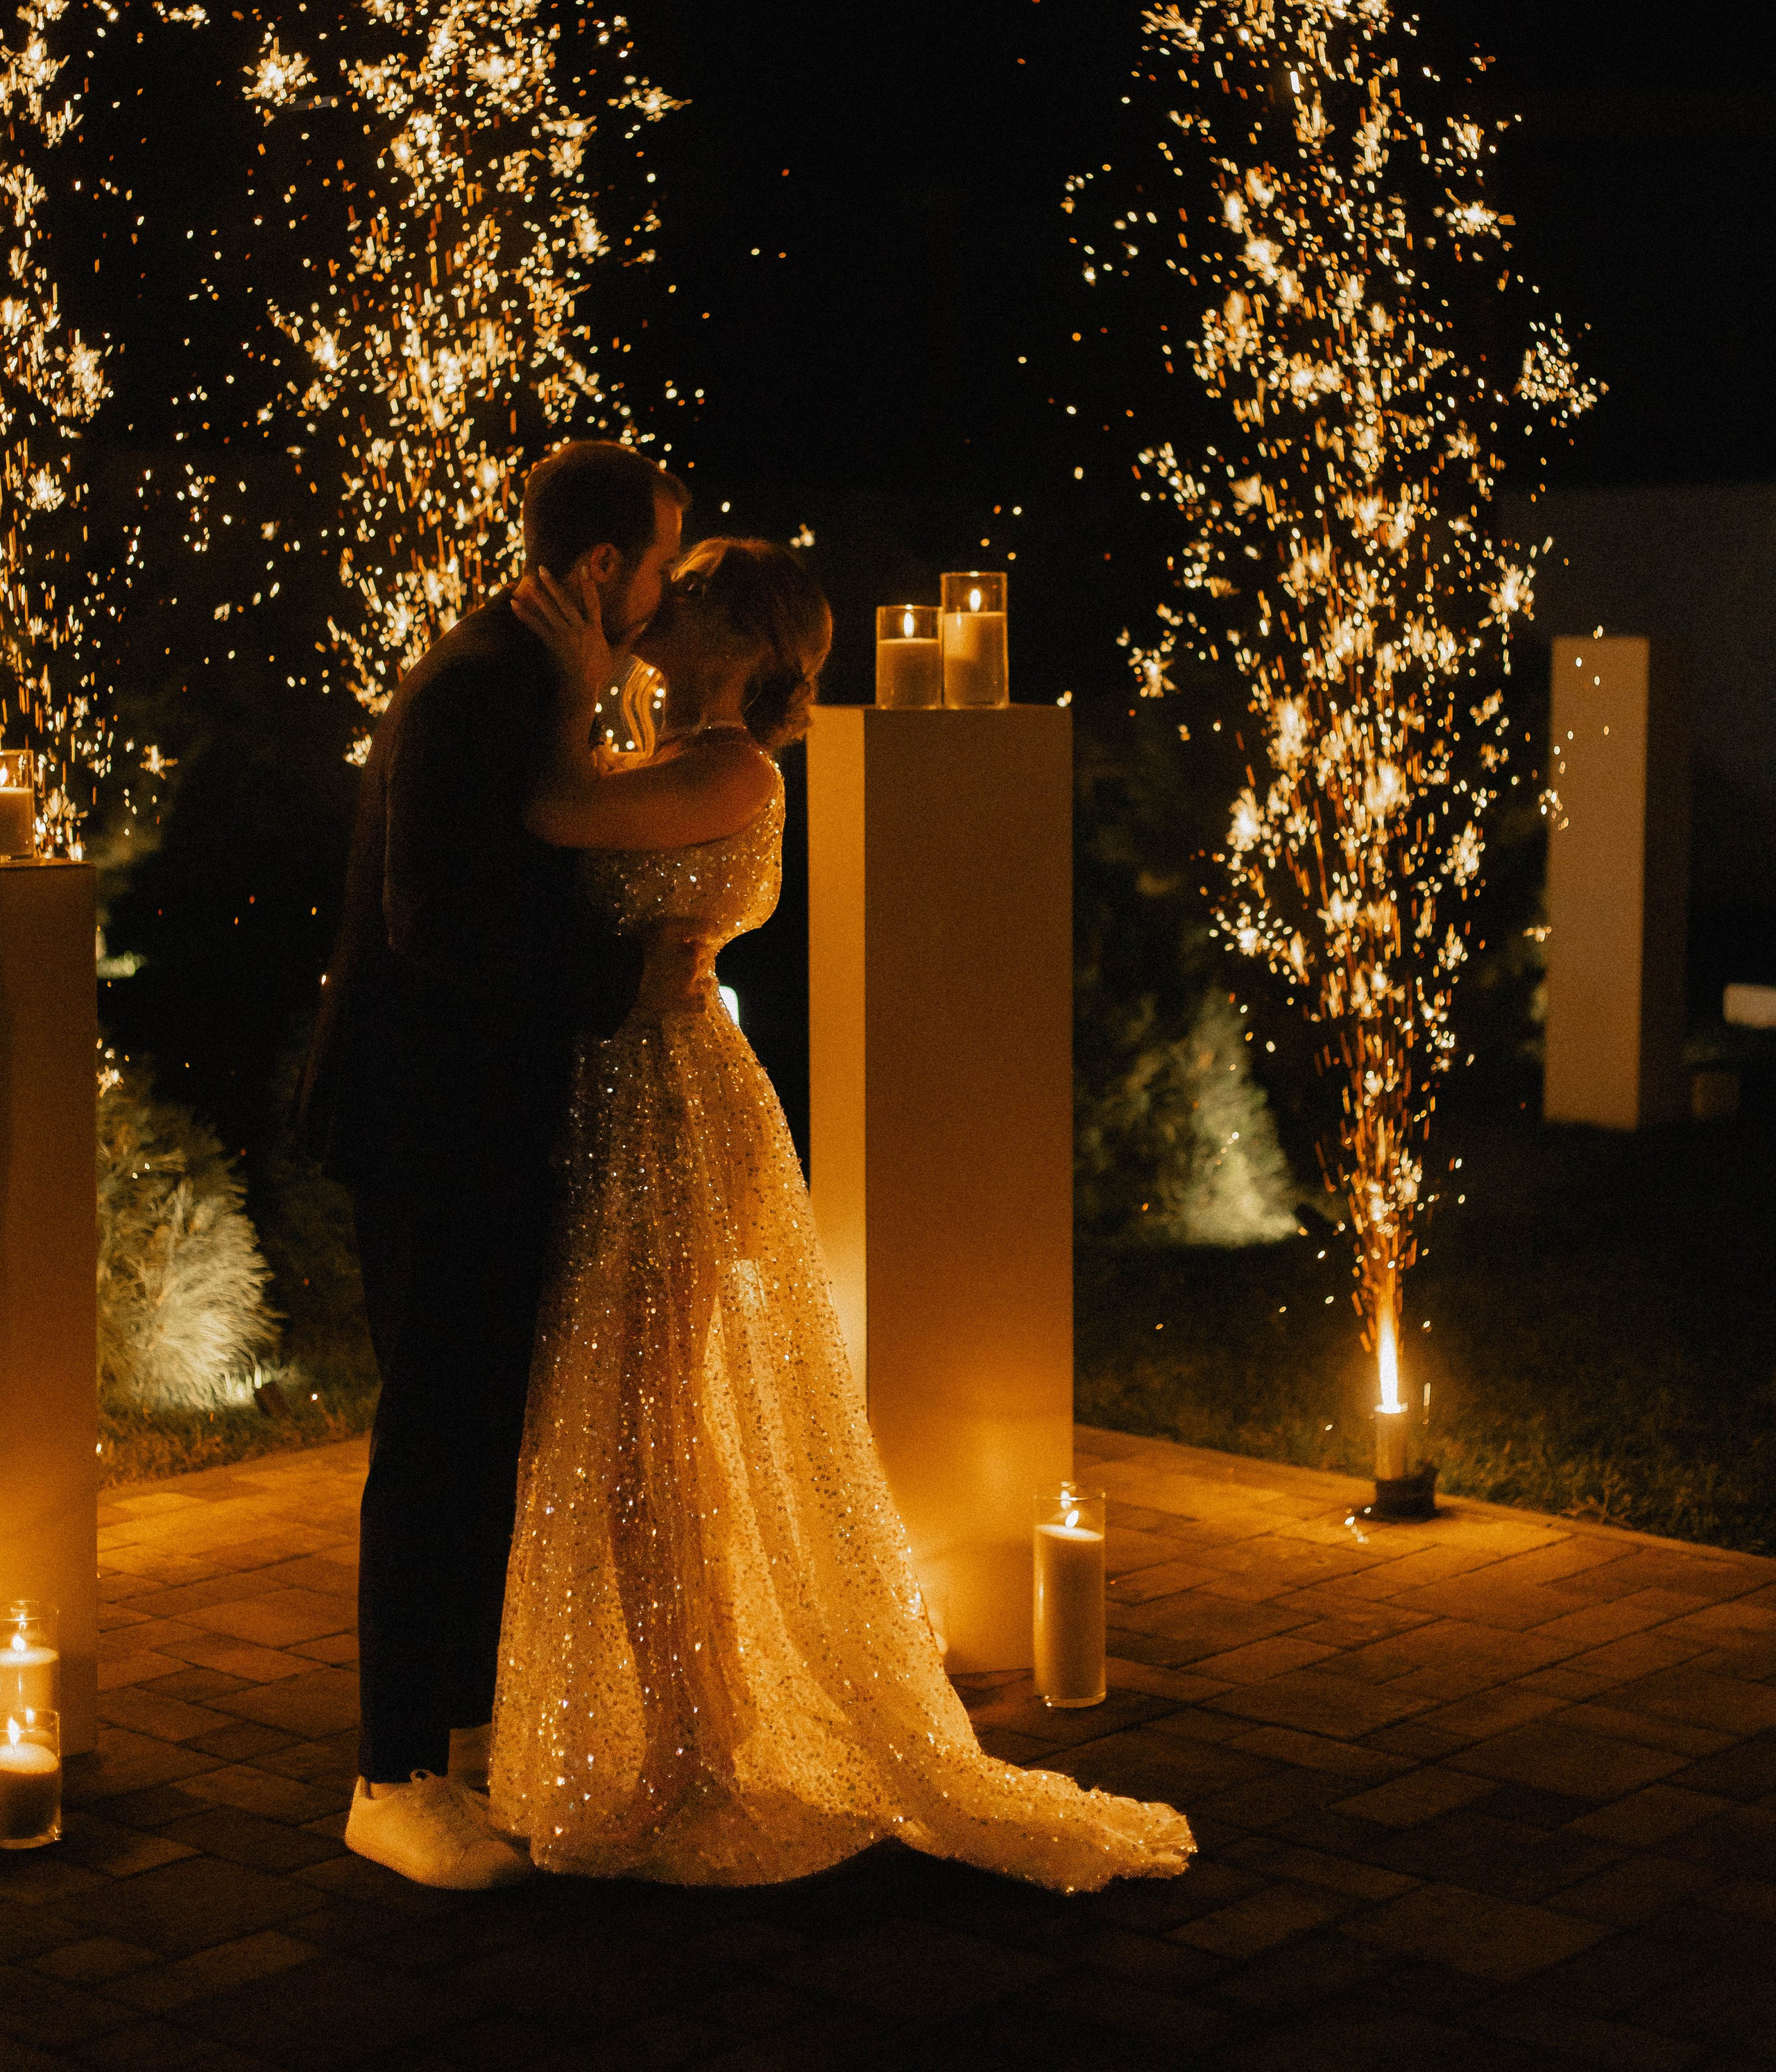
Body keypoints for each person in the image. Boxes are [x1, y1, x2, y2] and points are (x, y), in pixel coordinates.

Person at [490, 536, 1194, 1891]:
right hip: (620, 1091)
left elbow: (551, 812)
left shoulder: (730, 766)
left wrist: (575, 682)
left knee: (657, 1442)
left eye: (684, 597)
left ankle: (694, 1744)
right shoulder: (670, 743)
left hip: (671, 1111)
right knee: (635, 1437)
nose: (654, 608)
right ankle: (677, 1727)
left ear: (744, 644)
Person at [300, 439, 704, 1890]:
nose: (667, 588)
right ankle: (388, 1774)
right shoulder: (479, 687)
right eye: (662, 559)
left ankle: (450, 1750)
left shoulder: (530, 680)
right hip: (431, 1122)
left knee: (476, 1443)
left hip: (479, 1119)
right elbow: (434, 920)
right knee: (433, 1446)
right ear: (603, 567)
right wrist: (622, 979)